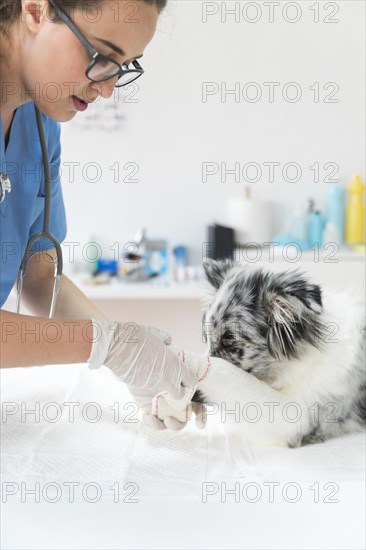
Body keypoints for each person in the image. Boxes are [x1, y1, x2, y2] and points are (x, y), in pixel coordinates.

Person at [0, 0, 200, 430]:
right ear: (36, 10)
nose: (108, 87)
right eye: (102, 56)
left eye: (123, 66)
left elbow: (38, 278)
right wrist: (105, 344)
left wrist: (132, 353)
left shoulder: (39, 123)